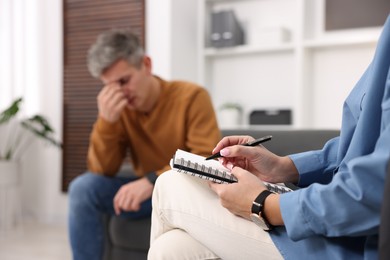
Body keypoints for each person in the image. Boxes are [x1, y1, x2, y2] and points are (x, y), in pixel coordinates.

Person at [148, 15, 390, 260]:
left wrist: (263, 204)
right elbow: (365, 146)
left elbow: (373, 193)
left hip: (357, 244)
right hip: (339, 222)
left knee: (172, 184)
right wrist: (285, 167)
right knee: (171, 249)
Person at [67, 28, 221, 260]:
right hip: (145, 197)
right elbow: (102, 170)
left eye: (124, 81)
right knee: (83, 187)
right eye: (110, 86)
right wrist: (106, 122)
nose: (119, 93)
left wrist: (153, 180)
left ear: (146, 64)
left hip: (184, 192)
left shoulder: (192, 97)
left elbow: (205, 159)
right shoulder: (121, 109)